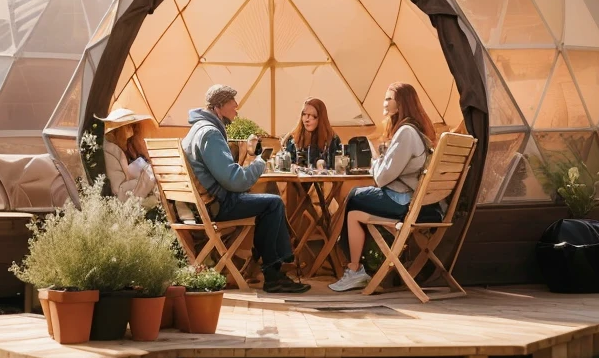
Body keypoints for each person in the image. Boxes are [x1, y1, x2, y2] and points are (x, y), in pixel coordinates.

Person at [182, 84, 310, 294]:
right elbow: (235, 181)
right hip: (216, 206)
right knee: (273, 203)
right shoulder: (210, 134)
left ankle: (267, 268)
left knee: (265, 203)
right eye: (233, 102)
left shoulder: (196, 130)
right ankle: (274, 273)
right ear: (219, 106)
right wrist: (259, 163)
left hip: (200, 205)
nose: (237, 106)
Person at [329, 82, 442, 293]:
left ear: (401, 104)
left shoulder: (406, 133)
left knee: (353, 197)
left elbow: (381, 178)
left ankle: (355, 268)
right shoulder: (415, 132)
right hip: (413, 201)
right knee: (354, 212)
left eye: (389, 98)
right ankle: (358, 268)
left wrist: (376, 158)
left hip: (402, 201)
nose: (384, 102)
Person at [100, 108, 157, 204]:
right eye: (129, 127)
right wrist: (146, 176)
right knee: (152, 172)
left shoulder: (114, 146)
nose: (132, 132)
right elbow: (119, 189)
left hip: (125, 194)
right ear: (120, 129)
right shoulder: (111, 149)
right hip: (122, 198)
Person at [282, 98, 343, 169]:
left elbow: (338, 170)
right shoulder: (292, 139)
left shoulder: (332, 140)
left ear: (321, 118)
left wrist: (322, 165)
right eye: (304, 114)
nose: (307, 119)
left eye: (313, 116)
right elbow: (285, 166)